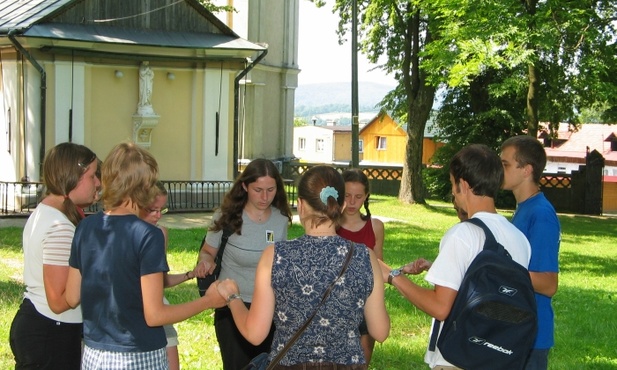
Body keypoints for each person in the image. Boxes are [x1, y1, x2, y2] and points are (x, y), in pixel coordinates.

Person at [64, 142, 226, 369]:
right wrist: (209, 301)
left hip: (94, 354)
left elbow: (71, 296)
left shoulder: (85, 227)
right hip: (137, 355)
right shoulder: (148, 235)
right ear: (143, 186)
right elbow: (155, 315)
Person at [216, 165, 390, 368]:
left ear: (300, 205)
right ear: (341, 205)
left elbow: (255, 334)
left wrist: (232, 297)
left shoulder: (275, 256)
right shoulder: (365, 257)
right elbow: (380, 331)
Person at [379, 144, 531, 369]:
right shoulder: (519, 239)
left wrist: (391, 275)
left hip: (458, 358)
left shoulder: (463, 233)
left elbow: (440, 307)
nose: (452, 192)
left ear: (464, 185)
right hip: (497, 358)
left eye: (452, 184)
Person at [194, 158, 293, 370]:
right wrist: (206, 261)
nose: (265, 197)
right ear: (245, 186)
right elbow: (208, 252)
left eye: (270, 189)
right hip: (231, 307)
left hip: (269, 308)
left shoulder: (280, 219)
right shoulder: (226, 216)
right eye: (258, 190)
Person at [9, 142, 100, 369]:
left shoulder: (48, 213)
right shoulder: (59, 226)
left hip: (48, 329)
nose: (98, 182)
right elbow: (59, 301)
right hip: (51, 334)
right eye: (92, 176)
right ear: (72, 177)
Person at [501, 135, 560, 370]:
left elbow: (548, 283)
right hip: (515, 328)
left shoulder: (542, 214)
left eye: (505, 164)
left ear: (526, 170)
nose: (499, 169)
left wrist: (500, 268)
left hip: (532, 335)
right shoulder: (525, 209)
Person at [139, 181, 200, 370]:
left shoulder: (160, 234)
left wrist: (190, 274)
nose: (158, 216)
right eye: (152, 210)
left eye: (162, 210)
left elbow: (161, 281)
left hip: (159, 307)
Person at [336, 168, 385, 364]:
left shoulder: (375, 226)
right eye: (347, 195)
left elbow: (379, 268)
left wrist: (399, 273)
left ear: (366, 197)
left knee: (361, 362)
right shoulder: (330, 225)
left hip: (365, 304)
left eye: (358, 196)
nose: (352, 202)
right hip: (335, 304)